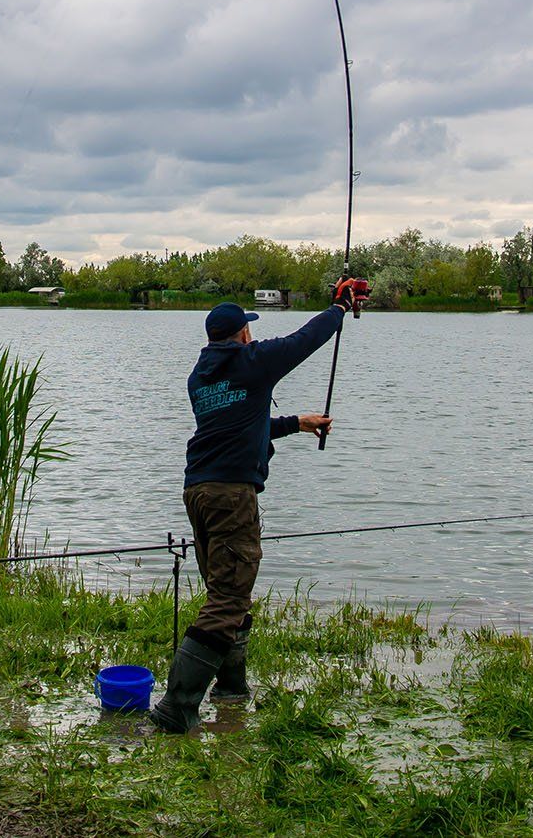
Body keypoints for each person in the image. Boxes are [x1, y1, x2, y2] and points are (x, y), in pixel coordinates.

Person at [148, 277, 368, 733]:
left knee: (227, 594)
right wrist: (339, 308)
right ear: (242, 334)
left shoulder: (200, 376)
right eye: (248, 327)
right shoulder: (251, 361)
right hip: (231, 495)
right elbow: (302, 341)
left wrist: (296, 423)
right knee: (229, 598)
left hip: (199, 492)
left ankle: (231, 692)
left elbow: (240, 423)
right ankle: (176, 708)